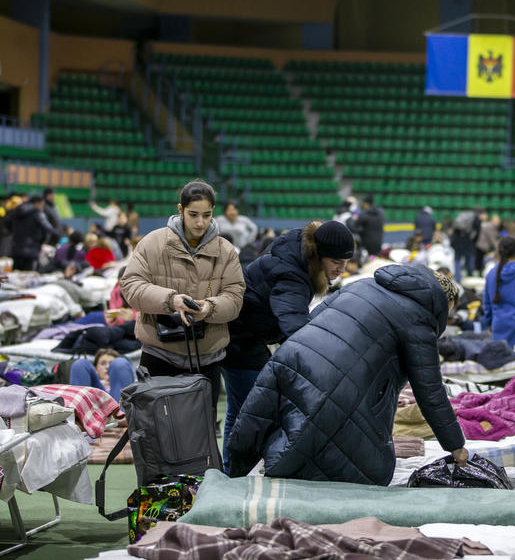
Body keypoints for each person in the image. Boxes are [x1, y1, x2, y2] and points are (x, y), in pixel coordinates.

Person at [226, 265, 468, 483]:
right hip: (333, 381)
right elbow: (430, 391)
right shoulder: (420, 320)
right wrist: (455, 445)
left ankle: (232, 477)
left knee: (264, 423)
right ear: (440, 302)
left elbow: (315, 317)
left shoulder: (364, 285)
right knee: (370, 468)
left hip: (293, 355)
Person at [222, 220, 354, 472]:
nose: (342, 270)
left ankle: (231, 471)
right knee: (247, 412)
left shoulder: (300, 246)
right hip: (240, 338)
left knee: (240, 408)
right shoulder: (293, 274)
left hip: (246, 333)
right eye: (336, 263)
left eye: (346, 263)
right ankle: (232, 475)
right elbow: (294, 325)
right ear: (319, 255)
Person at [120, 180, 245, 413]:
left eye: (207, 215)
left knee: (200, 436)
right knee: (156, 431)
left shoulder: (226, 251)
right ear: (180, 210)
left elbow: (235, 296)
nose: (200, 222)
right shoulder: (152, 243)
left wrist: (210, 308)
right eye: (193, 214)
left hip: (207, 359)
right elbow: (131, 285)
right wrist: (171, 300)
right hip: (158, 355)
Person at [69, 348, 136, 400]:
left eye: (111, 364)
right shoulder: (92, 384)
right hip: (93, 407)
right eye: (103, 364)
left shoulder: (122, 372)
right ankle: (79, 414)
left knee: (120, 362)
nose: (107, 367)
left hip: (119, 407)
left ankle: (122, 415)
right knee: (80, 364)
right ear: (96, 369)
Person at [10, 193, 54, 271]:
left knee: (14, 276)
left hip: (16, 248)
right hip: (32, 250)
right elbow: (48, 228)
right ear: (37, 203)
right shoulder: (38, 214)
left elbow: (7, 225)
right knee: (28, 277)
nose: (42, 208)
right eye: (42, 205)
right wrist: (43, 240)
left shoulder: (17, 210)